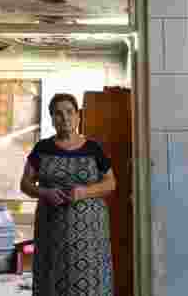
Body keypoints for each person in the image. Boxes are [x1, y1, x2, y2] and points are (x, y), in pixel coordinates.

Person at [20, 93, 117, 296]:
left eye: (69, 112)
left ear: (78, 116)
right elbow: (25, 183)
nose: (64, 118)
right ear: (52, 118)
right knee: (53, 278)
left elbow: (111, 183)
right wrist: (44, 192)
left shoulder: (93, 148)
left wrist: (83, 192)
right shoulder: (42, 148)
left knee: (90, 281)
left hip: (90, 234)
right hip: (52, 231)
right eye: (58, 113)